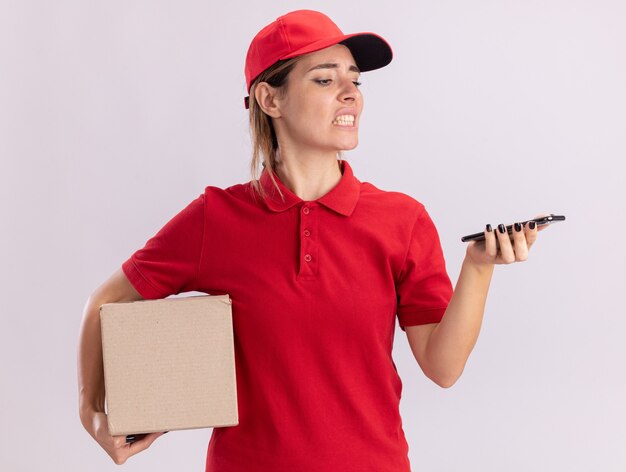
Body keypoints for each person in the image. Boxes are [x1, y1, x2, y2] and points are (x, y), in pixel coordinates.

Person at [78, 9, 546, 471]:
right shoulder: (215, 219)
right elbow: (107, 301)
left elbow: (443, 369)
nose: (351, 95)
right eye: (325, 80)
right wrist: (92, 412)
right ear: (270, 99)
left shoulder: (402, 219)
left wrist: (478, 267)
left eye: (355, 81)